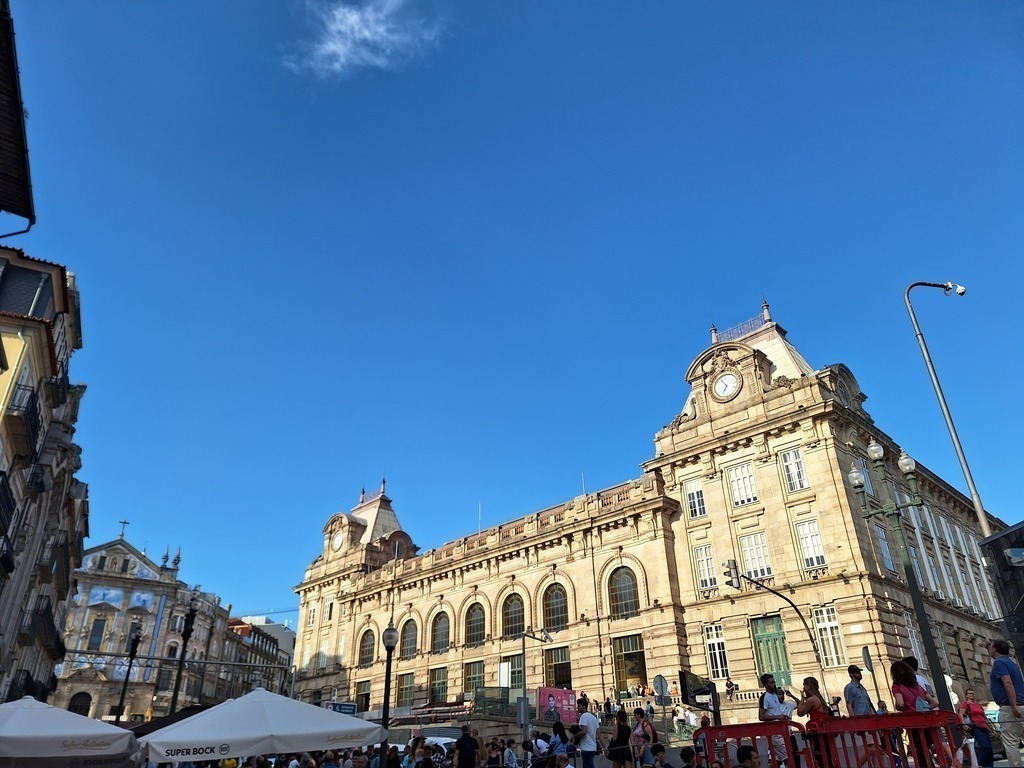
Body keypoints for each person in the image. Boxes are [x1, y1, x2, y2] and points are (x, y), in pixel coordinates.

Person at [892, 660, 937, 766]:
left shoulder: (897, 686)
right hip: (926, 721)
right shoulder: (917, 686)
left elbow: (901, 704)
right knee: (925, 748)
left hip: (912, 722)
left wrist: (897, 707)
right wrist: (924, 707)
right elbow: (934, 703)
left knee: (919, 749)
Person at [989, 639, 1023, 767]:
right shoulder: (1012, 663)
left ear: (994, 649)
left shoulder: (999, 663)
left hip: (1010, 707)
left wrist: (1013, 705)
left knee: (1011, 742)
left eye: (990, 647)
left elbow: (1007, 682)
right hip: (1022, 704)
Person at [758, 673, 795, 767]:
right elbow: (761, 716)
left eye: (774, 682)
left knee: (777, 759)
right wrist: (778, 717)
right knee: (787, 756)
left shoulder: (774, 696)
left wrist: (781, 717)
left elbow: (775, 711)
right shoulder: (764, 698)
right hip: (775, 732)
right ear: (765, 685)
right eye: (771, 683)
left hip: (781, 730)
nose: (774, 684)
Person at [958, 688, 994, 768]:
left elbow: (985, 718)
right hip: (975, 726)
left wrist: (992, 729)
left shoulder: (978, 705)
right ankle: (976, 763)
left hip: (984, 727)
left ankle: (988, 765)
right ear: (966, 695)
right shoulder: (965, 704)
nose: (972, 695)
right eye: (970, 693)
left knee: (990, 749)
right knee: (985, 746)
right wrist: (963, 725)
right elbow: (961, 714)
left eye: (973, 693)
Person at [576, 696, 602, 768]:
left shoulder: (583, 716)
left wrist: (574, 736)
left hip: (586, 748)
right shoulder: (593, 717)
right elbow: (599, 733)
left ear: (584, 706)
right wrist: (604, 747)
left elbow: (584, 731)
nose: (577, 707)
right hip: (593, 747)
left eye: (579, 706)